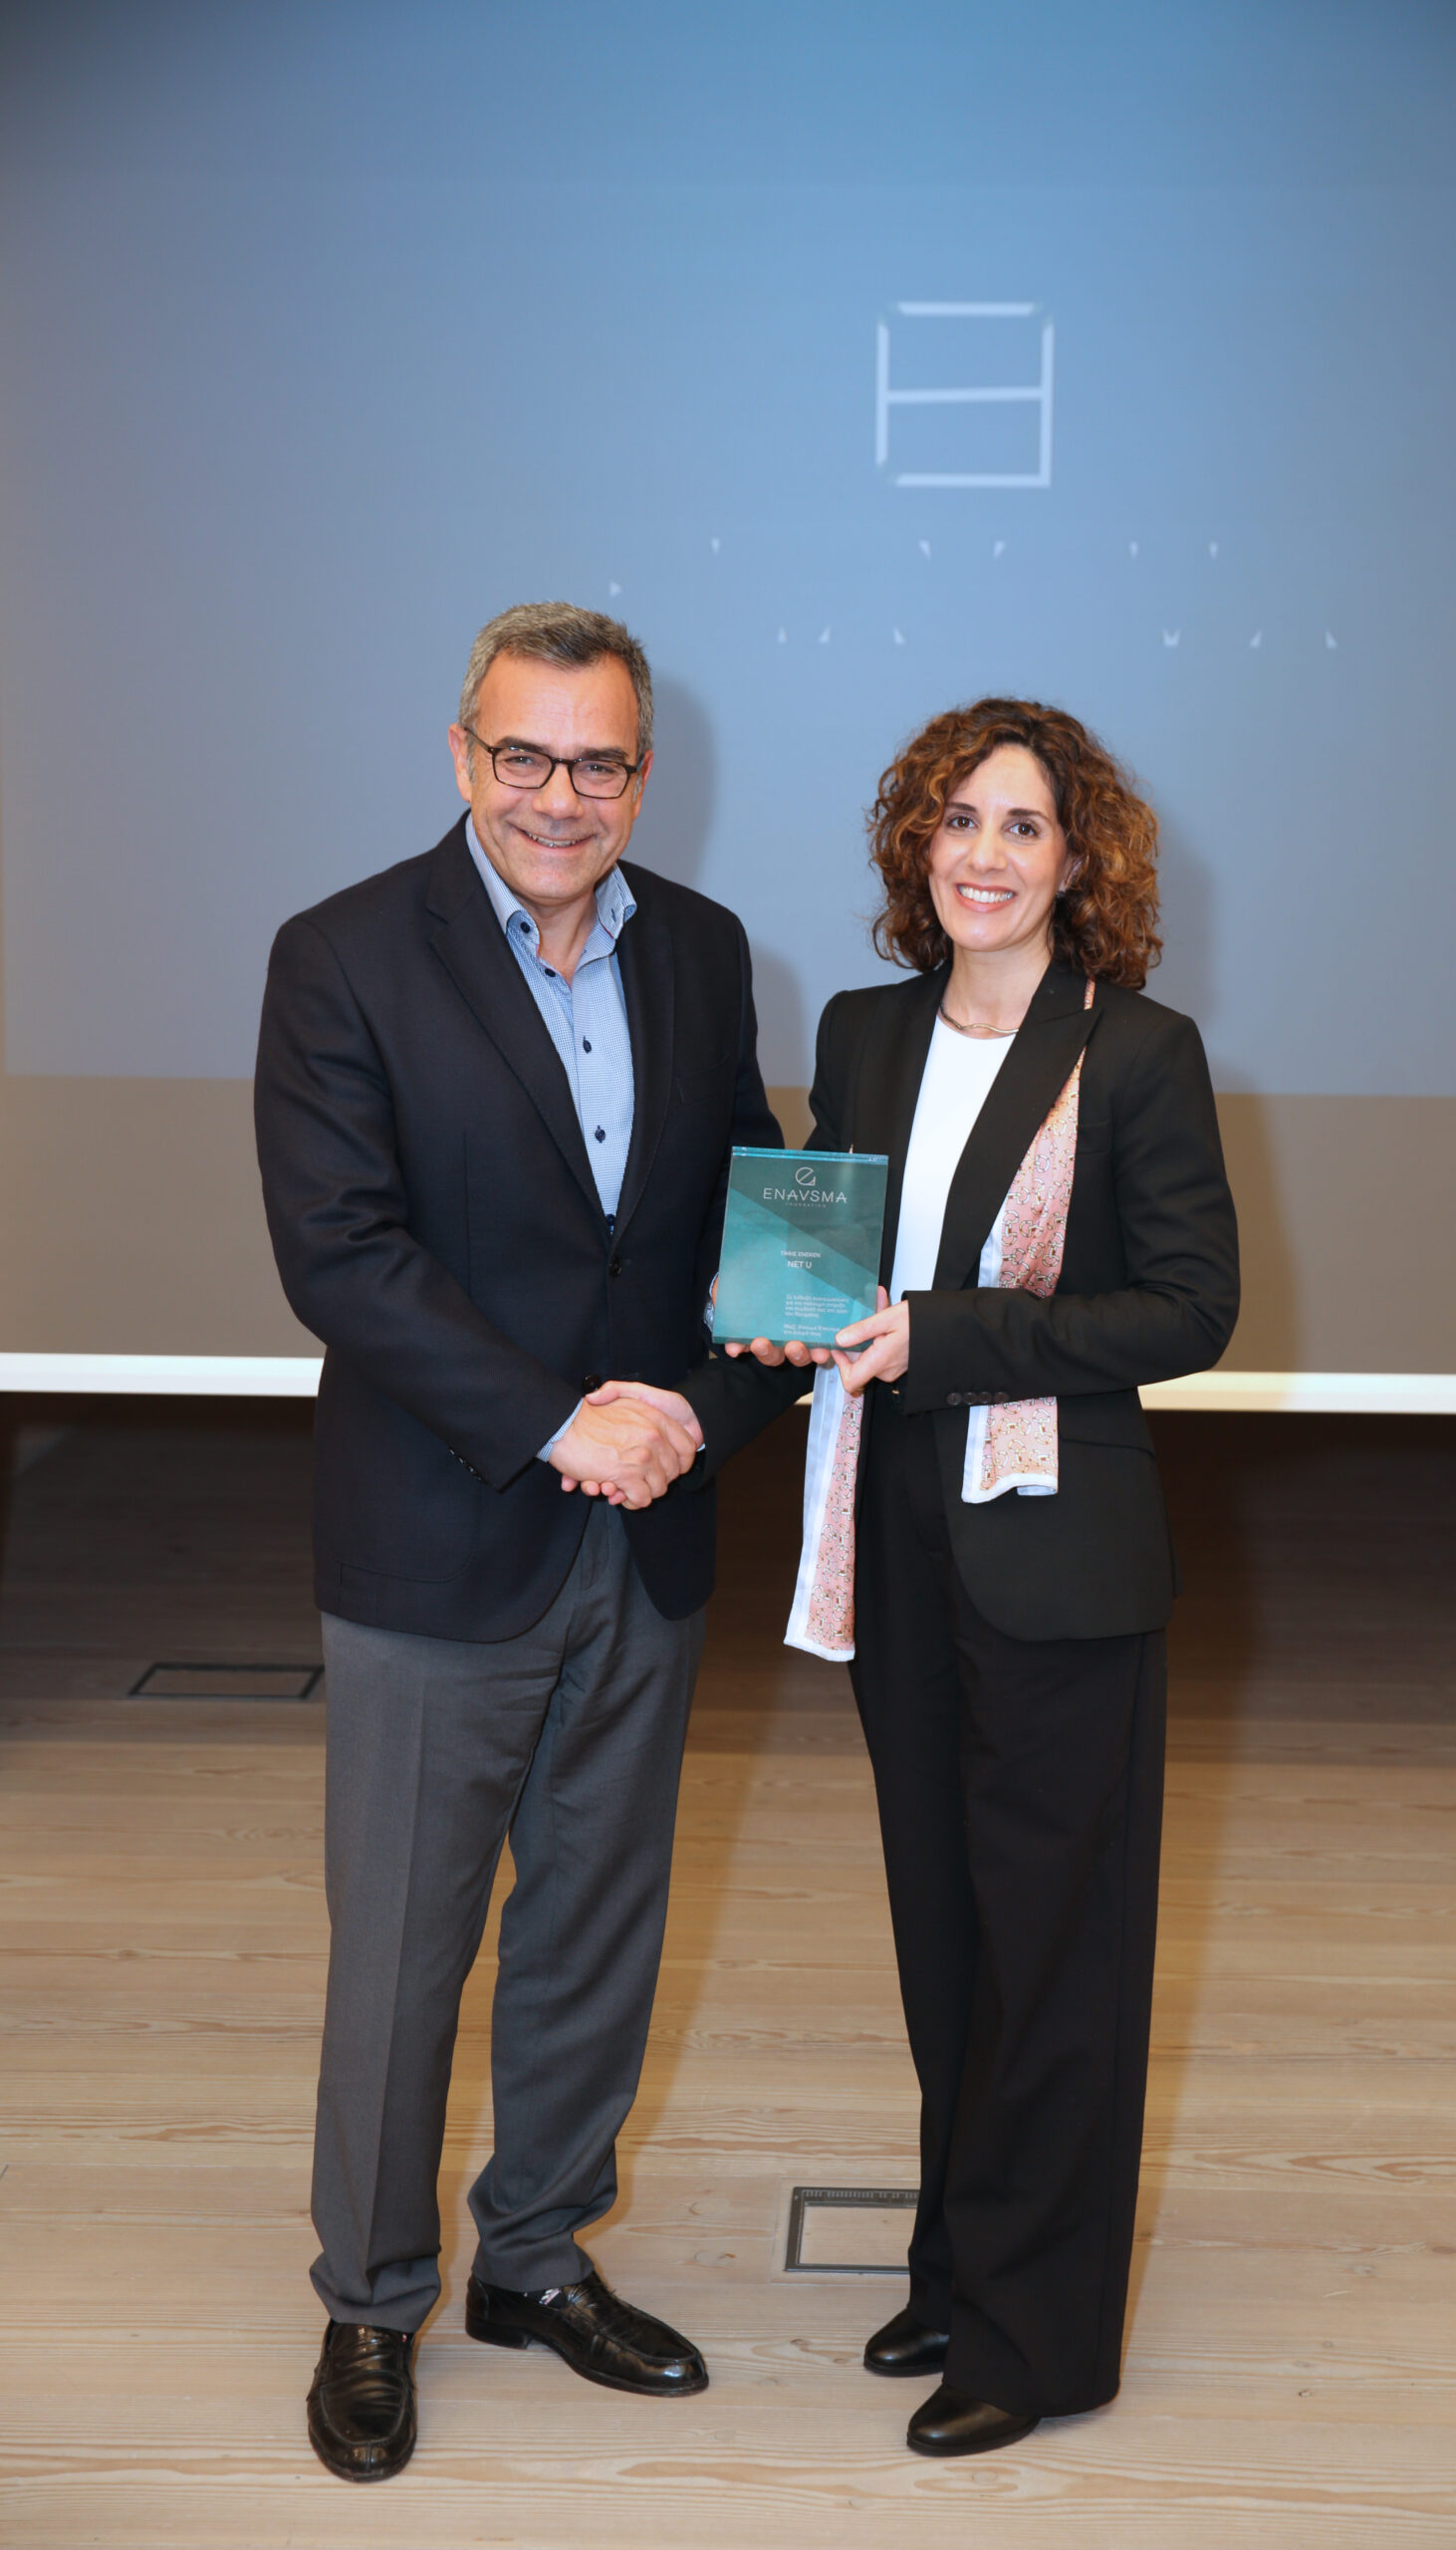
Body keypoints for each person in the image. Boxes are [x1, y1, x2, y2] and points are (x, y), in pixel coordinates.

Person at [254, 603, 777, 2482]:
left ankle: (537, 2257)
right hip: (440, 1536)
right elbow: (342, 1254)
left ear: (644, 771)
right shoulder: (341, 955)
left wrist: (707, 1407)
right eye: (525, 754)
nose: (562, 796)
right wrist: (566, 1422)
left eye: (600, 761)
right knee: (405, 1955)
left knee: (595, 1927)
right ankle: (371, 2296)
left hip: (644, 1537)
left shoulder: (702, 949)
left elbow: (740, 1216)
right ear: (464, 754)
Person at [683, 698, 1239, 2456]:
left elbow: (1191, 1310)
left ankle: (1041, 2338)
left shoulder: (1137, 1051)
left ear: (1078, 864)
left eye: (1022, 825)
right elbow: (830, 1245)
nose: (983, 854)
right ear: (916, 846)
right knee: (947, 1929)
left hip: (1062, 1558)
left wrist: (948, 1335)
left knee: (1057, 1951)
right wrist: (774, 1307)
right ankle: (957, 2262)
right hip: (893, 1538)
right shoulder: (864, 1031)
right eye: (957, 820)